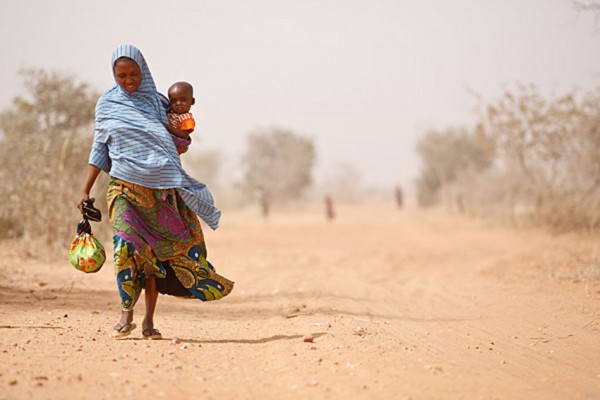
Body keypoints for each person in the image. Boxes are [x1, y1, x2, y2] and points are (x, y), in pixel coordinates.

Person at [77, 44, 233, 340]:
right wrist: (84, 190)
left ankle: (149, 321)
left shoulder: (158, 103)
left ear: (143, 72)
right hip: (123, 188)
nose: (129, 80)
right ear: (114, 75)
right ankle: (126, 315)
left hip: (160, 191)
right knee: (125, 249)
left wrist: (182, 135)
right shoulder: (107, 105)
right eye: (121, 75)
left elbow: (178, 145)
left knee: (155, 257)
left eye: (134, 74)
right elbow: (99, 148)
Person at [163, 81, 196, 155]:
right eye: (174, 101)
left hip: (179, 143)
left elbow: (184, 135)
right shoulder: (171, 112)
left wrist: (167, 127)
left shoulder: (186, 118)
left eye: (183, 99)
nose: (178, 103)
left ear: (192, 101)